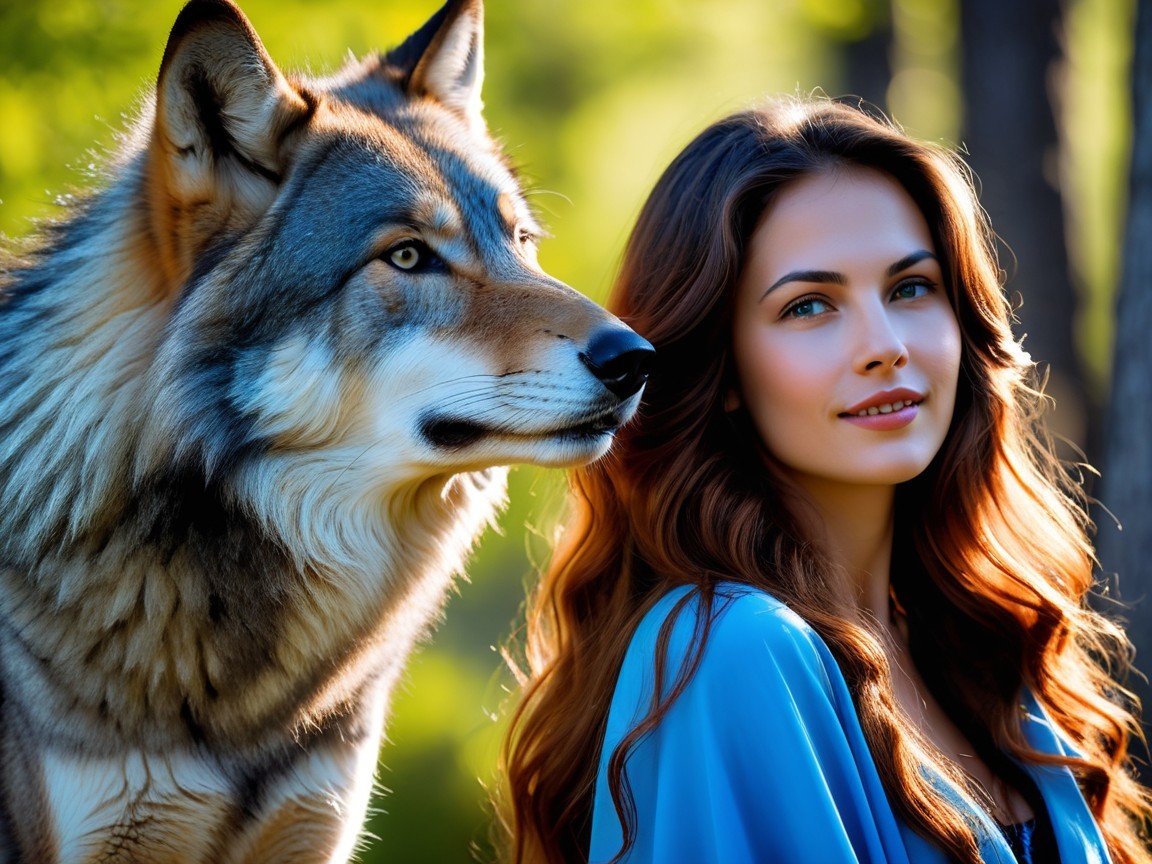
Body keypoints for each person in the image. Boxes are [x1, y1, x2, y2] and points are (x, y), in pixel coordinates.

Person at [497, 97, 1152, 863]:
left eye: (911, 288)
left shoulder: (978, 652)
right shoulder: (732, 649)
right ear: (723, 366)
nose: (884, 346)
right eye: (809, 306)